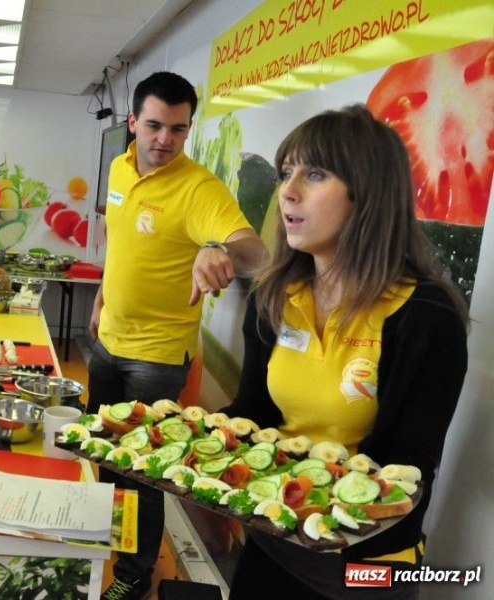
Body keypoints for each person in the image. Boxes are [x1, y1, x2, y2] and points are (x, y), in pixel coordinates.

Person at [223, 105, 469, 600]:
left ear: (368, 193)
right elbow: (254, 412)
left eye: (314, 174)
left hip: (365, 564)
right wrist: (188, 439)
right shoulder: (274, 297)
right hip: (274, 534)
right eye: (286, 172)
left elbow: (408, 467)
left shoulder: (424, 315)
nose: (288, 191)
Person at [87, 71, 269, 600]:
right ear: (132, 122)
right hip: (107, 343)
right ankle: (104, 542)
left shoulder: (198, 188)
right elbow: (121, 245)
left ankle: (135, 573)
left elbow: (255, 252)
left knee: (140, 472)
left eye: (178, 129)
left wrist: (217, 248)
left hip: (157, 358)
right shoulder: (119, 168)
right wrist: (101, 297)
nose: (165, 139)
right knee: (102, 453)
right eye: (154, 126)